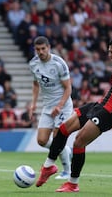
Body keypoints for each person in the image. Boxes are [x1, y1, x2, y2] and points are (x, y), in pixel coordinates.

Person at [35, 35, 112, 192]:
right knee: (63, 129)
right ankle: (48, 167)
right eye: (109, 51)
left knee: (79, 141)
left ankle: (73, 183)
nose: (110, 55)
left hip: (111, 112)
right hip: (100, 105)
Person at [29, 36, 73, 180]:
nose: (40, 52)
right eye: (38, 49)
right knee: (41, 140)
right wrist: (33, 103)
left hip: (63, 105)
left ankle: (67, 171)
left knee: (57, 138)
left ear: (48, 47)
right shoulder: (33, 64)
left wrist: (60, 106)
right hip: (47, 106)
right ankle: (64, 150)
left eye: (43, 49)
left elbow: (68, 88)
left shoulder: (59, 63)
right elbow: (36, 84)